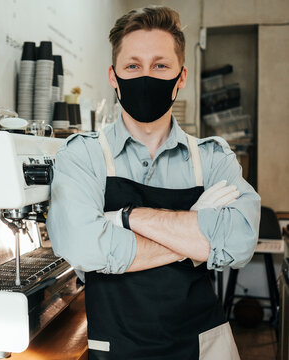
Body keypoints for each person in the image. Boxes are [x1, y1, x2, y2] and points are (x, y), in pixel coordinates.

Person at [46, 6, 260, 360]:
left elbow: (239, 242)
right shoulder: (83, 155)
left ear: (181, 77)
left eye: (160, 65)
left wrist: (127, 218)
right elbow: (83, 248)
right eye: (133, 66)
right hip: (115, 346)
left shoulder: (212, 158)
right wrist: (194, 238)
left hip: (203, 345)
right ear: (114, 78)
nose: (146, 76)